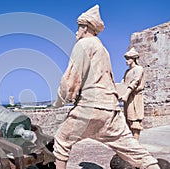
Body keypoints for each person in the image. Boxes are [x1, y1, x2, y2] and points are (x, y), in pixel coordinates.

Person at [53, 4, 160, 169]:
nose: (76, 32)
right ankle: (153, 166)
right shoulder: (103, 50)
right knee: (134, 151)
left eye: (78, 28)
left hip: (89, 108)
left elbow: (71, 79)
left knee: (62, 141)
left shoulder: (84, 44)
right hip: (110, 110)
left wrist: (60, 101)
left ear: (85, 27)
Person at [120, 47, 145, 140]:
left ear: (134, 59)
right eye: (126, 59)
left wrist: (126, 94)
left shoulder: (138, 69)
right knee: (127, 122)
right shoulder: (127, 71)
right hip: (128, 99)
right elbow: (123, 83)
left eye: (128, 59)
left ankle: (136, 147)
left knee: (135, 122)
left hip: (135, 98)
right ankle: (130, 146)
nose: (126, 61)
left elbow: (135, 82)